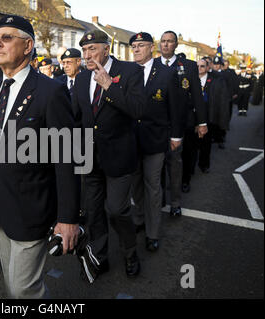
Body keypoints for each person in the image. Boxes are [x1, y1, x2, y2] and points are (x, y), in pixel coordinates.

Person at [0, 15, 80, 299]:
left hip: (32, 207)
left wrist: (68, 218)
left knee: (24, 288)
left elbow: (67, 157)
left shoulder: (51, 91)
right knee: (14, 285)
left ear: (28, 46)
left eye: (6, 38)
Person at [72, 29, 144, 280]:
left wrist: (108, 88)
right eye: (84, 51)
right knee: (93, 211)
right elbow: (77, 117)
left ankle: (130, 252)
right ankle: (98, 257)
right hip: (90, 157)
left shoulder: (130, 71)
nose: (87, 54)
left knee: (116, 210)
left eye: (92, 49)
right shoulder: (81, 79)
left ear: (106, 49)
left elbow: (138, 109)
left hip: (119, 156)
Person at [129, 32, 182, 252]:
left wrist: (176, 135)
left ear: (152, 47)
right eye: (134, 46)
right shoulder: (128, 72)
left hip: (156, 138)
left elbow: (176, 107)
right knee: (136, 185)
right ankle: (139, 219)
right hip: (131, 139)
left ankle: (152, 233)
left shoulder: (167, 73)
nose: (136, 49)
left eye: (141, 45)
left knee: (153, 187)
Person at [155, 31, 207, 214]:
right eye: (163, 41)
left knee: (175, 164)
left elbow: (197, 96)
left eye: (170, 42)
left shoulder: (188, 66)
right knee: (155, 166)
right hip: (156, 126)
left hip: (177, 124)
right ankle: (159, 201)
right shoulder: (152, 65)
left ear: (176, 45)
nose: (166, 44)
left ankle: (175, 203)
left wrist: (202, 122)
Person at [183, 58, 229, 186]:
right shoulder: (188, 81)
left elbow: (221, 102)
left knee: (205, 145)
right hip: (192, 119)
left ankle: (204, 165)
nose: (199, 69)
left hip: (207, 119)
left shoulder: (215, 81)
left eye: (202, 66)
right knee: (191, 147)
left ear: (208, 68)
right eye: (197, 66)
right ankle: (189, 171)